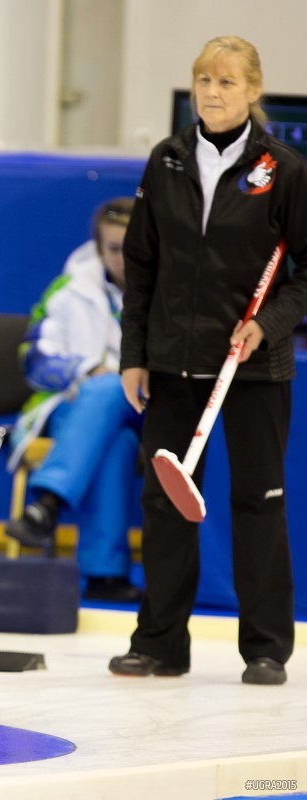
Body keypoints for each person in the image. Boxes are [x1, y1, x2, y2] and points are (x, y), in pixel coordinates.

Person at [113, 36, 307, 685]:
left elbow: (305, 272)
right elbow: (141, 265)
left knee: (258, 502)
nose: (212, 93)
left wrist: (267, 324)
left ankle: (266, 649)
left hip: (253, 368)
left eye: (226, 82)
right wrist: (135, 355)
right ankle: (159, 644)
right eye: (204, 80)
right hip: (172, 365)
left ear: (253, 90)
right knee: (163, 505)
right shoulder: (166, 160)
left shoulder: (284, 169)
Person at [5, 198, 144, 603]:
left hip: (148, 406)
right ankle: (105, 574)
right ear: (99, 248)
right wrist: (85, 369)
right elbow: (34, 360)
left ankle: (48, 502)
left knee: (111, 388)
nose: (123, 259)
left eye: (133, 248)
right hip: (74, 408)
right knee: (116, 441)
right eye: (114, 249)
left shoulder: (172, 291)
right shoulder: (69, 289)